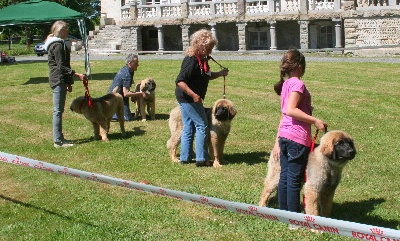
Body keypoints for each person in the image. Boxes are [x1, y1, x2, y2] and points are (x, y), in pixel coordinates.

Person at [272, 49, 327, 223]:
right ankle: (294, 220)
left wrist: (276, 141)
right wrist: (315, 121)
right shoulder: (297, 84)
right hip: (296, 137)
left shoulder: (286, 84)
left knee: (285, 176)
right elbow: (291, 110)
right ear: (300, 66)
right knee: (294, 178)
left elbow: (284, 115)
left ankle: (284, 214)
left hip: (285, 136)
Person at [175, 29, 229, 167]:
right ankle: (201, 159)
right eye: (209, 48)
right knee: (202, 125)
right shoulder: (191, 60)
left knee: (188, 126)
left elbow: (206, 75)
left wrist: (220, 73)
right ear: (200, 45)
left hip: (187, 97)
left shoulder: (202, 60)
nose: (210, 51)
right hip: (187, 98)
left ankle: (185, 158)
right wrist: (194, 95)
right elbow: (180, 81)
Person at [44, 20, 88, 148]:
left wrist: (69, 82)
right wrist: (77, 74)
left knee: (59, 110)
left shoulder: (60, 44)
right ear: (60, 30)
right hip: (58, 79)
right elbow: (61, 66)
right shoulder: (57, 45)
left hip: (61, 80)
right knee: (57, 111)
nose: (68, 32)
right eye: (66, 29)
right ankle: (58, 141)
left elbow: (65, 65)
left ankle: (60, 137)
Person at [108, 53, 147, 121]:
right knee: (128, 118)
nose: (138, 65)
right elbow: (126, 93)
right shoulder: (127, 74)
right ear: (130, 63)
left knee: (129, 116)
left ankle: (118, 113)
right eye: (136, 63)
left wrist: (132, 95)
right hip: (115, 98)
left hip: (120, 96)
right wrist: (140, 93)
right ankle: (111, 115)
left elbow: (127, 90)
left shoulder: (129, 70)